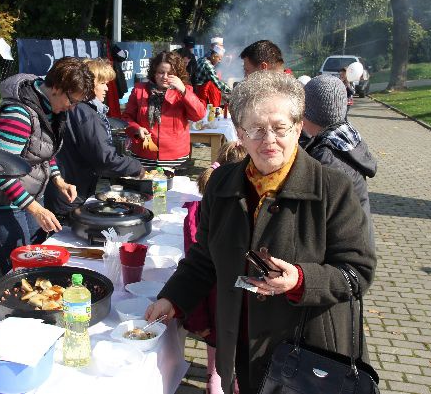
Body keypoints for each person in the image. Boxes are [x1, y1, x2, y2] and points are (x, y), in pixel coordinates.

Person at [145, 71, 376, 394]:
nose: (268, 139)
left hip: (308, 357)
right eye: (255, 129)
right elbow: (203, 258)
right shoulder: (222, 185)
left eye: (280, 127)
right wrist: (172, 298)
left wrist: (300, 280)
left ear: (297, 127)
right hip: (240, 343)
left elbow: (357, 272)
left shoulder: (333, 188)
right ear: (238, 132)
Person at [0, 57, 94, 273]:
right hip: (3, 205)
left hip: (30, 200)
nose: (72, 107)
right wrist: (37, 210)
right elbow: (0, 171)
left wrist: (58, 180)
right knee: (20, 271)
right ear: (57, 88)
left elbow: (43, 151)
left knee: (37, 264)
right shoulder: (18, 115)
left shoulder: (49, 108)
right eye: (72, 100)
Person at [183, 141, 246, 394]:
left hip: (213, 311)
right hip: (238, 313)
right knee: (237, 373)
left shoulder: (196, 211)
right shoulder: (243, 214)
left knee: (216, 372)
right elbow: (195, 265)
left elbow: (192, 266)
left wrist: (196, 317)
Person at [44, 58, 144, 218]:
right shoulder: (85, 112)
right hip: (70, 189)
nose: (106, 89)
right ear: (89, 85)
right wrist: (135, 166)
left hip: (69, 185)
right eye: (103, 83)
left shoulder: (82, 109)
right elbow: (103, 158)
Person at [299, 74, 377, 245]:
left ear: (309, 112)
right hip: (358, 239)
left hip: (345, 250)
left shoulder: (326, 159)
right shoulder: (345, 139)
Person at [123, 51, 206, 169]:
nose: (165, 77)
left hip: (175, 156)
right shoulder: (139, 90)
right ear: (154, 73)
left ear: (177, 74)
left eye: (170, 73)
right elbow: (126, 118)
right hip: (144, 152)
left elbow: (199, 115)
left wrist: (183, 91)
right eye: (161, 72)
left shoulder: (184, 91)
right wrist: (136, 129)